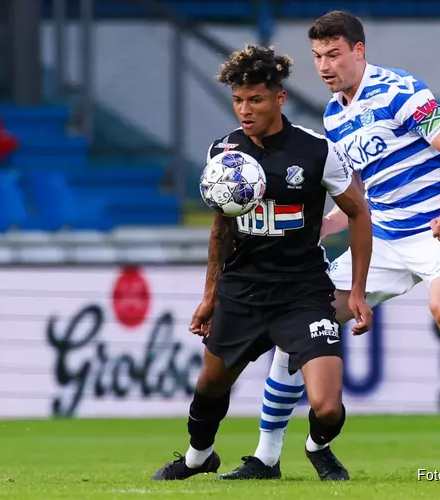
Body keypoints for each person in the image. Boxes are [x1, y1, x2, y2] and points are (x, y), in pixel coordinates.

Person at [219, 11, 440, 480]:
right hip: (384, 237)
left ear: (359, 51)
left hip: (438, 228)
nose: (324, 65)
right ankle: (267, 456)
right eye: (318, 56)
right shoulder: (334, 115)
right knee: (301, 320)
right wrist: (318, 225)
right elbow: (360, 196)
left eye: (333, 54)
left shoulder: (401, 91)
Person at [151, 44, 373, 482]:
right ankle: (200, 456)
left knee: (327, 407)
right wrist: (209, 295)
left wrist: (359, 291)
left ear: (279, 98)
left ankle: (317, 445)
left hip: (302, 291)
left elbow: (358, 212)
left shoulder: (315, 151)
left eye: (255, 99)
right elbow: (221, 230)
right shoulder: (225, 152)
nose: (244, 110)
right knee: (209, 386)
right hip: (243, 289)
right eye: (238, 100)